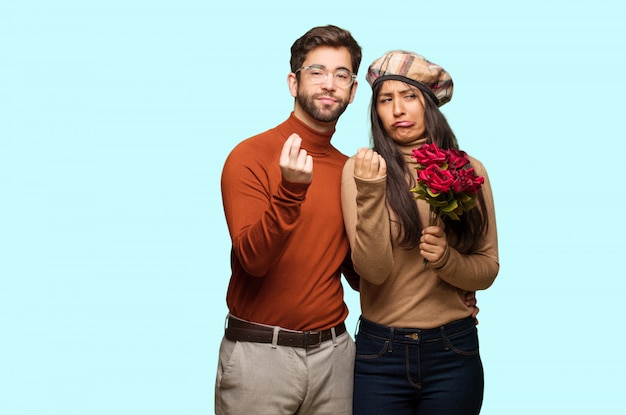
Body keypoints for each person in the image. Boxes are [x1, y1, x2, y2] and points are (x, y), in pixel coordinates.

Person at [341, 50, 499, 414]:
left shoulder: (470, 170)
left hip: (453, 350)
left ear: (429, 103)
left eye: (409, 96)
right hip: (381, 353)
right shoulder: (361, 169)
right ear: (376, 111)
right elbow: (374, 271)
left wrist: (447, 259)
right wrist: (369, 190)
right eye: (385, 99)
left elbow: (488, 267)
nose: (397, 110)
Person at [215, 24, 363, 415]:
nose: (329, 83)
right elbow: (253, 260)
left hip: (335, 358)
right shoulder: (250, 155)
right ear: (293, 83)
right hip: (261, 357)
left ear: (353, 90)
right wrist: (291, 191)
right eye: (317, 72)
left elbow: (361, 274)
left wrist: (444, 294)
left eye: (341, 74)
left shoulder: (351, 171)